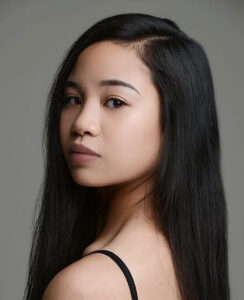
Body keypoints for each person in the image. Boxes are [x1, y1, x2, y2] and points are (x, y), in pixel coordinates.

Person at [23, 13, 230, 300]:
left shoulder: (85, 288)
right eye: (73, 99)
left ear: (176, 121)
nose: (82, 123)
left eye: (115, 102)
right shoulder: (188, 264)